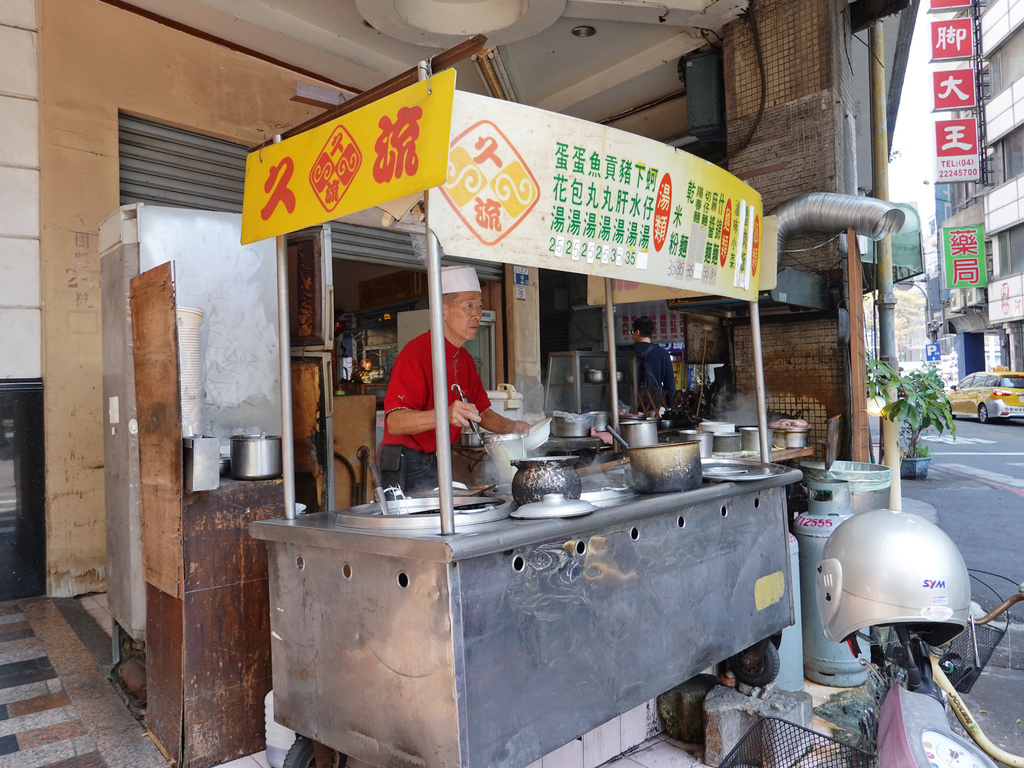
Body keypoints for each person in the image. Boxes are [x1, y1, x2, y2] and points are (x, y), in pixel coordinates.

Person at [379, 265, 531, 492]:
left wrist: (513, 427)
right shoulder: (416, 353)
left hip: (439, 454)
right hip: (407, 460)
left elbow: (482, 413)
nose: (477, 314)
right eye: (469, 305)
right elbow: (395, 421)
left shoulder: (464, 358)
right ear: (442, 310)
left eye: (479, 306)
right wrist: (445, 414)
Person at [632, 316, 676, 403]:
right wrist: (672, 406)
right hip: (655, 404)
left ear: (637, 332)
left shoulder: (626, 352)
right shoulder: (663, 353)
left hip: (631, 405)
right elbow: (670, 384)